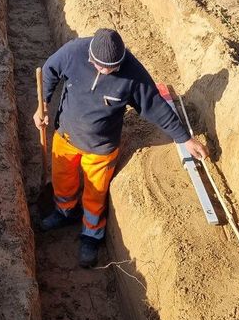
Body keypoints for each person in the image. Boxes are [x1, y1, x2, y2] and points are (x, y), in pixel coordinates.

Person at [33, 28, 208, 268]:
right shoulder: (74, 51)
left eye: (112, 68)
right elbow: (49, 71)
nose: (106, 72)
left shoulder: (132, 74)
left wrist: (184, 138)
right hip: (66, 136)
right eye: (101, 67)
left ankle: (91, 235)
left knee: (95, 195)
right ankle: (65, 211)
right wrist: (42, 104)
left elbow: (155, 106)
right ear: (91, 57)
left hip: (101, 148)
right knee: (62, 181)